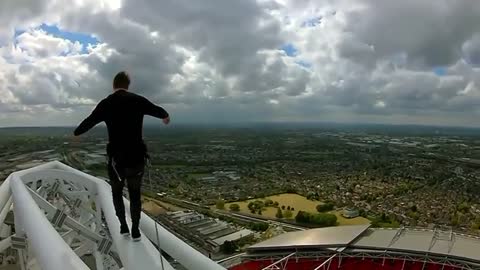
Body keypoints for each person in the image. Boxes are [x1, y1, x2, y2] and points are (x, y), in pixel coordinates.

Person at [73, 71, 170, 241]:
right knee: (134, 195)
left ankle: (123, 227)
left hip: (116, 160)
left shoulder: (106, 103)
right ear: (128, 85)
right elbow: (159, 111)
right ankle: (135, 230)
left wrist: (76, 133)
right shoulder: (138, 100)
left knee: (117, 194)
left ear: (114, 85)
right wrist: (165, 117)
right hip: (136, 157)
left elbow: (89, 121)